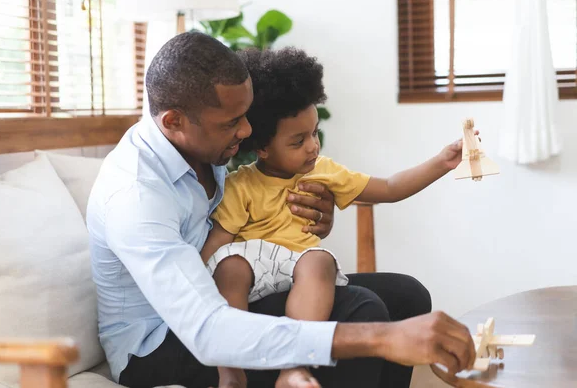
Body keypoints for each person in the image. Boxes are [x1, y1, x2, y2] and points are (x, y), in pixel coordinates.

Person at [87, 32, 475, 388]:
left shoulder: (206, 144)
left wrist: (313, 217)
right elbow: (205, 329)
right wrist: (384, 338)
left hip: (230, 291)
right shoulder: (135, 195)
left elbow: (261, 209)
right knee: (364, 312)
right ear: (173, 121)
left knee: (406, 296)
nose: (245, 132)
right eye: (233, 122)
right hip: (160, 343)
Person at [199, 46, 480, 388]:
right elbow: (217, 242)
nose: (313, 147)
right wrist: (192, 279)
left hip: (300, 270)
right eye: (298, 141)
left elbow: (389, 188)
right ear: (261, 147)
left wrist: (441, 163)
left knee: (319, 262)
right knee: (229, 266)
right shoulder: (241, 185)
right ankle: (230, 369)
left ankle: (293, 365)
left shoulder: (323, 171)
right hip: (253, 274)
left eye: (314, 133)